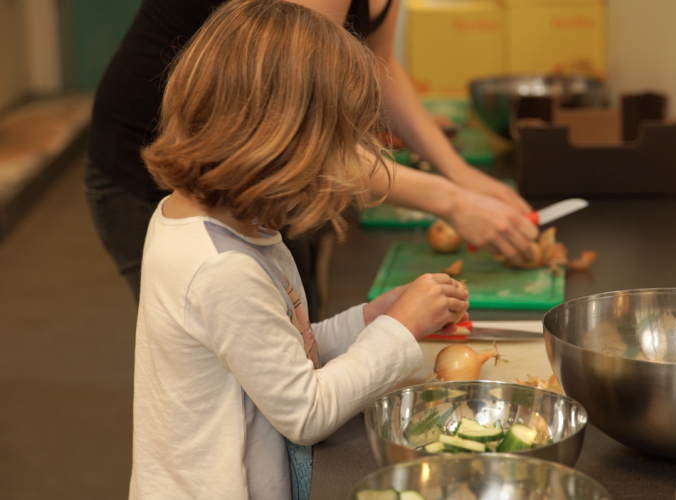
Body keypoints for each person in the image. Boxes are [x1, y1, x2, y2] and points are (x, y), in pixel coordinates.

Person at [131, 1, 469, 498]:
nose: (337, 172)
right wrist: (401, 331)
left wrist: (369, 320)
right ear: (276, 145)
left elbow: (279, 347)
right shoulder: (221, 268)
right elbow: (306, 412)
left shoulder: (225, 225)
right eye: (331, 149)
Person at [85, 0, 538, 312]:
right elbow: (295, 130)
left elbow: (379, 63)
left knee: (292, 340)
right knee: (229, 371)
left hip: (253, 177)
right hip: (161, 169)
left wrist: (458, 174)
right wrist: (451, 201)